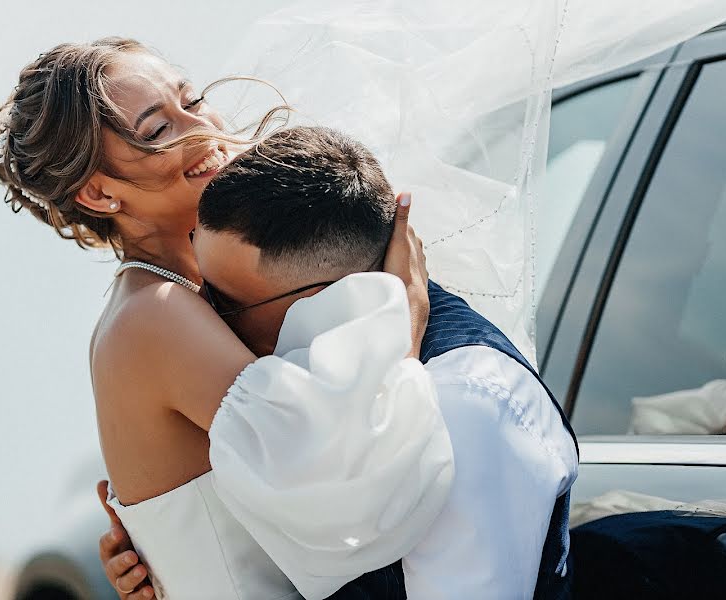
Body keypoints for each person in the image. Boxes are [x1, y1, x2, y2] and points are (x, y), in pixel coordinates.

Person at [0, 39, 435, 600]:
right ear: (99, 192)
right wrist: (404, 311)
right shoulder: (154, 315)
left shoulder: (198, 292)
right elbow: (342, 478)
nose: (202, 128)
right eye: (156, 131)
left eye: (191, 100)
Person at [99, 126, 578, 599]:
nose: (205, 320)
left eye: (223, 300)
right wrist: (171, 558)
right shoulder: (311, 388)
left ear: (317, 297)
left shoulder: (466, 405)